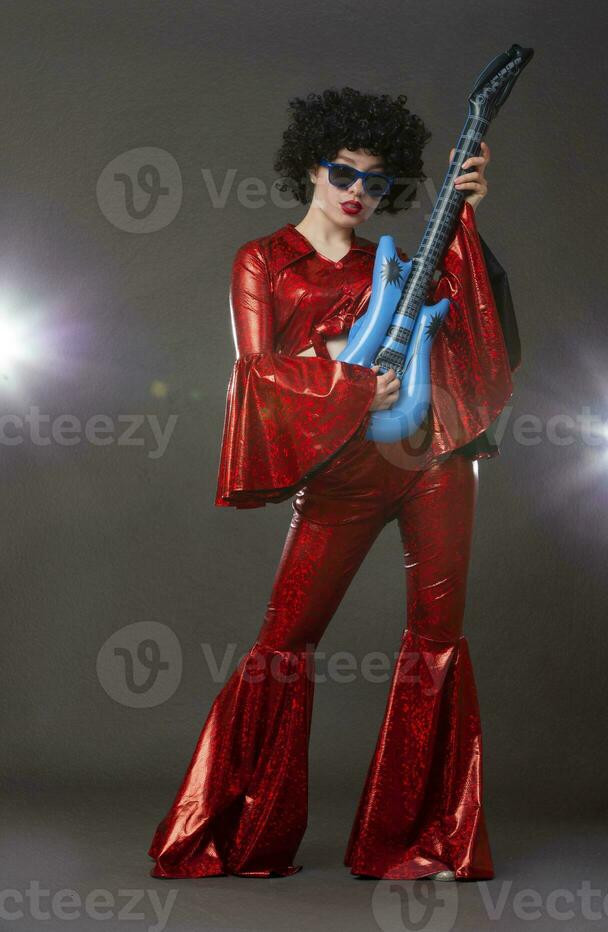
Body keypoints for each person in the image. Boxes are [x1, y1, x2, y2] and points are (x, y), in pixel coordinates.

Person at [147, 87, 521, 882]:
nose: (357, 190)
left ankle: (420, 840)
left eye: (376, 181)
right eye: (343, 171)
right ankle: (241, 832)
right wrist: (352, 388)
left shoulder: (394, 265)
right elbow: (257, 375)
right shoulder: (263, 261)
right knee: (284, 641)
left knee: (436, 640)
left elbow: (477, 331)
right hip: (343, 476)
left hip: (435, 462)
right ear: (308, 168)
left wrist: (466, 216)